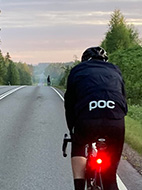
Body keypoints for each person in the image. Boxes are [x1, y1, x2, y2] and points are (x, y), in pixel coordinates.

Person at [64, 47, 128, 190]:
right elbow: (124, 100)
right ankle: (110, 183)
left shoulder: (77, 70)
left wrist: (72, 130)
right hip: (115, 119)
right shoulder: (115, 70)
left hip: (87, 120)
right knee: (110, 177)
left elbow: (69, 105)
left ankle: (79, 186)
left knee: (79, 146)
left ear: (84, 60)